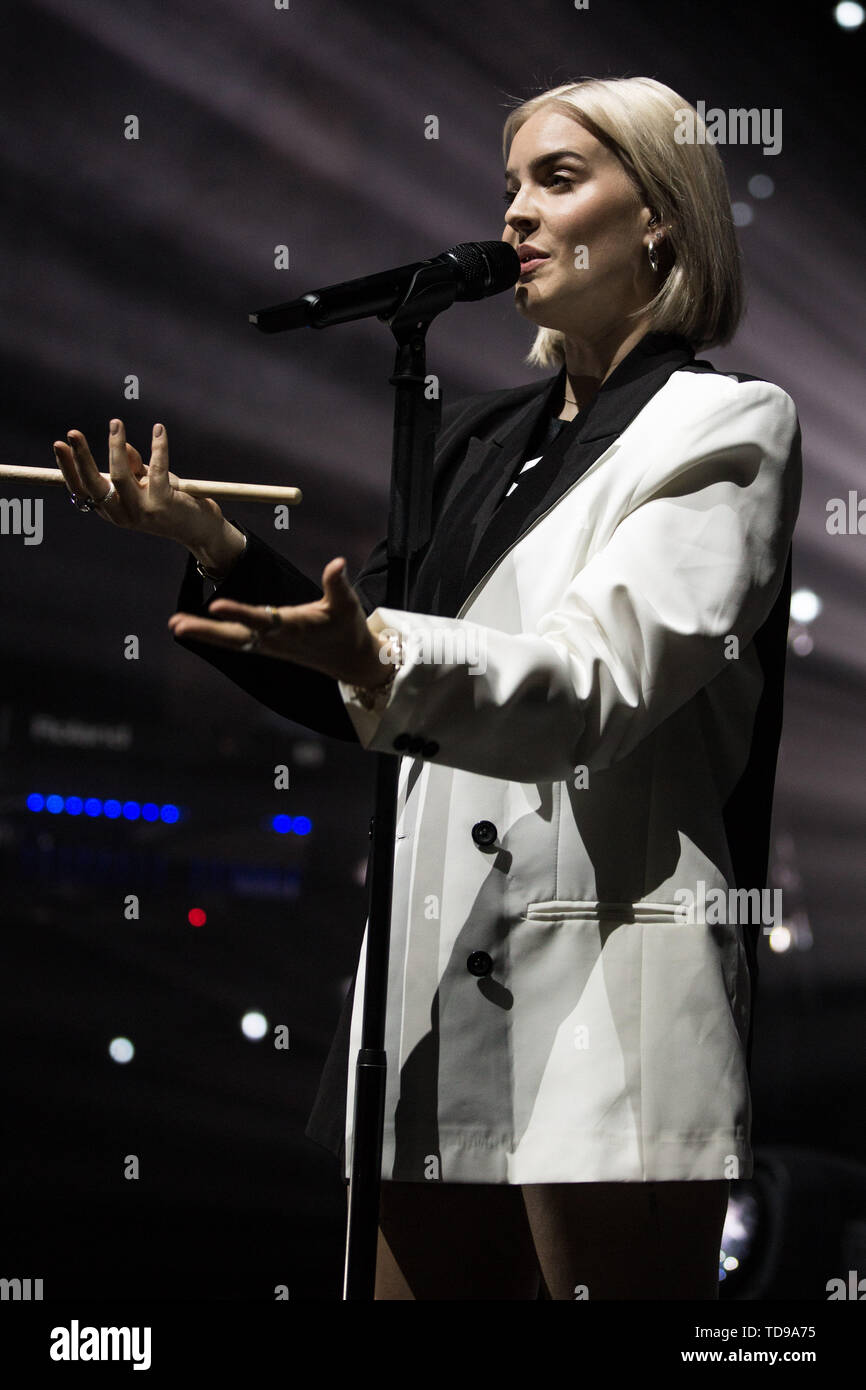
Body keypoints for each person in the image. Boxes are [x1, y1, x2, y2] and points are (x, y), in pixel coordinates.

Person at [52, 76, 802, 1300]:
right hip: (434, 998)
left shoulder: (722, 426)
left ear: (659, 219)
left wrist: (375, 657)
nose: (512, 214)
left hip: (603, 991)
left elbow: (594, 681)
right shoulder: (478, 442)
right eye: (508, 185)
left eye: (555, 180)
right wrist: (218, 550)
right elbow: (375, 686)